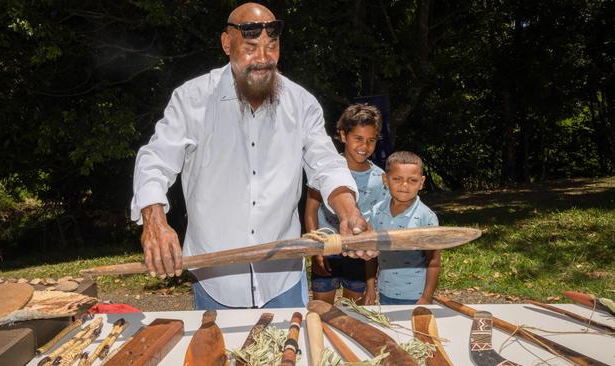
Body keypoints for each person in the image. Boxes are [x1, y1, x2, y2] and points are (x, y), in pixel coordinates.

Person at [130, 2, 374, 310]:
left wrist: (349, 211)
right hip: (215, 281)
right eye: (250, 48)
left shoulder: (301, 103)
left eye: (271, 47)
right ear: (226, 44)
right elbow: (155, 160)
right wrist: (154, 219)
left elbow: (325, 163)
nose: (263, 59)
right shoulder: (191, 99)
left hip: (283, 279)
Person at [305, 104, 386, 305]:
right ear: (343, 135)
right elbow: (310, 211)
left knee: (355, 315)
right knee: (321, 312)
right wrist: (316, 252)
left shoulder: (380, 178)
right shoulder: (325, 171)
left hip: (358, 256)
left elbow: (373, 232)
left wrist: (370, 283)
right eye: (358, 138)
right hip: (327, 251)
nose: (364, 146)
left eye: (371, 140)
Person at [369, 151, 441, 305]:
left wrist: (426, 297)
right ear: (385, 180)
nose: (404, 185)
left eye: (412, 180)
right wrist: (370, 288)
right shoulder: (376, 212)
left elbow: (433, 262)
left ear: (421, 183)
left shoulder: (426, 217)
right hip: (385, 292)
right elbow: (371, 254)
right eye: (397, 179)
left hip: (416, 296)